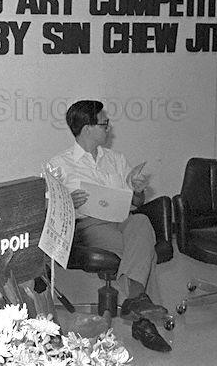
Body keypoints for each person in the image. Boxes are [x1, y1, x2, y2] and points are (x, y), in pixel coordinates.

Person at [46, 100, 171, 352]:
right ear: (87, 128)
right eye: (104, 124)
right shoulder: (59, 164)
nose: (108, 128)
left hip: (124, 219)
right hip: (88, 227)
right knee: (144, 253)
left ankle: (135, 302)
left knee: (142, 221)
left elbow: (137, 202)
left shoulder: (116, 159)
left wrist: (137, 191)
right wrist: (67, 201)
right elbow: (50, 212)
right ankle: (142, 318)